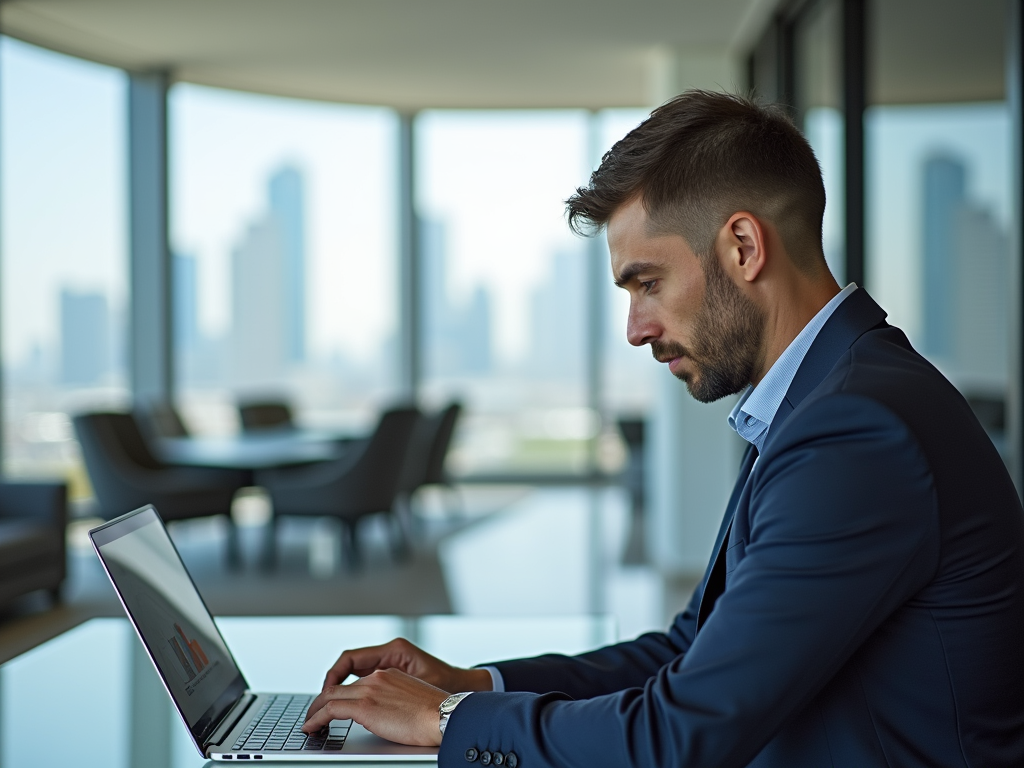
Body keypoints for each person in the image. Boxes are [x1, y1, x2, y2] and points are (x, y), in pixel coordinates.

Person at [302, 91, 1024, 767]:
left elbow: (678, 736)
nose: (635, 330)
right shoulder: (829, 398)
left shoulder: (855, 430)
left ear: (743, 246)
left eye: (648, 283)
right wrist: (476, 684)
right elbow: (694, 649)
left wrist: (446, 719)